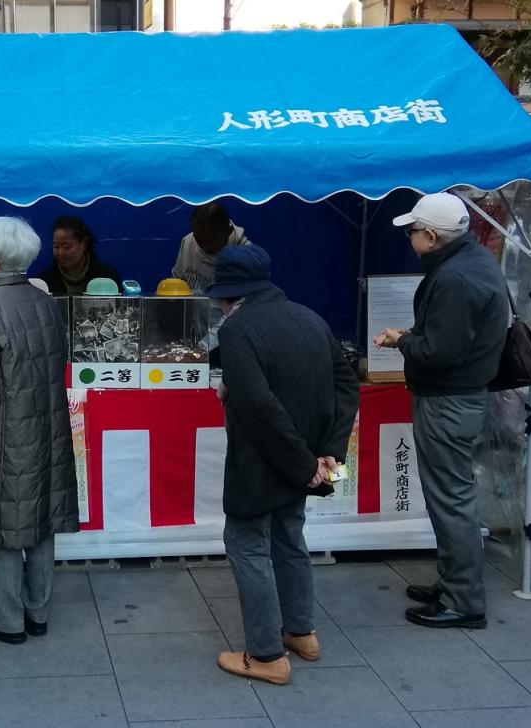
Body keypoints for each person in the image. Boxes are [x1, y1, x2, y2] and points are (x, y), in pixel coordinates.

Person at [209, 245, 359, 685]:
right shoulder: (311, 317)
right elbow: (346, 384)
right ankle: (301, 632)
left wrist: (301, 464)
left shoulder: (238, 330)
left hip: (265, 462)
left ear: (229, 293)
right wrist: (329, 454)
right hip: (311, 457)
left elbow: (258, 406)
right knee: (290, 538)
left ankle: (267, 655)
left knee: (247, 543)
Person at [375, 192, 507, 630]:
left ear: (431, 235)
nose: (410, 238)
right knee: (452, 496)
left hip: (448, 400)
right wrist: (417, 334)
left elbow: (439, 352)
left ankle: (463, 600)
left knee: (451, 500)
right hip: (458, 395)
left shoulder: (456, 278)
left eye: (413, 231)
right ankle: (453, 582)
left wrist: (402, 341)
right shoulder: (472, 262)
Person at [0, 216, 80, 644]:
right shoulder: (45, 301)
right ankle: (37, 612)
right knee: (41, 516)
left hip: (4, 429)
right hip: (48, 424)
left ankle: (6, 621)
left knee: (3, 521)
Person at [172, 202, 251, 293]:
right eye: (198, 239)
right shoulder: (188, 242)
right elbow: (176, 285)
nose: (205, 246)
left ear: (228, 231)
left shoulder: (247, 255)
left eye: (211, 239)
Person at [38, 215, 121, 295]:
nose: (60, 253)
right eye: (56, 246)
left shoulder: (107, 276)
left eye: (66, 247)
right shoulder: (44, 281)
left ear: (84, 244)